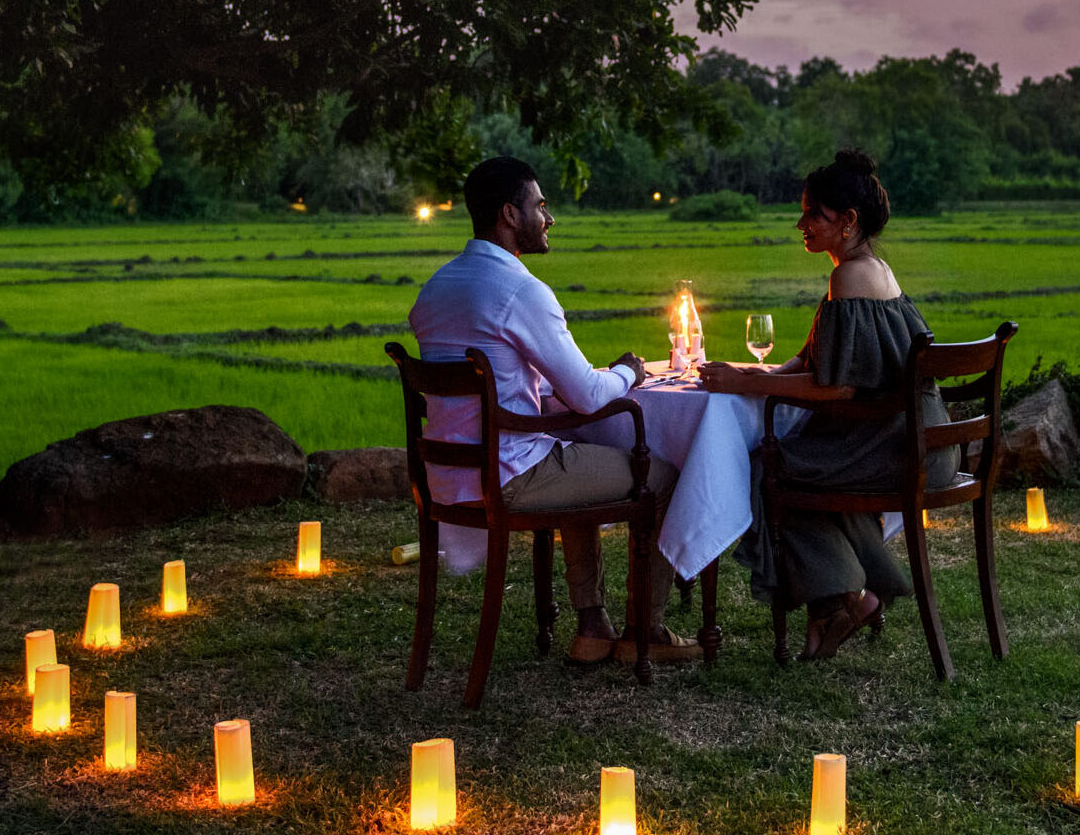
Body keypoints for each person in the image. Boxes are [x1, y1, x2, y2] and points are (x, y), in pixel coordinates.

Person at [408, 156, 698, 665]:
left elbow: (505, 388)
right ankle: (646, 631)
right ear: (508, 215)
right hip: (510, 474)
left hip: (451, 477)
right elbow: (587, 394)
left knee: (577, 452)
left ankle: (593, 626)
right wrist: (630, 371)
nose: (549, 218)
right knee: (665, 476)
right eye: (540, 206)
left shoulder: (437, 288)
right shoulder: (521, 291)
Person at [698, 149, 956, 660]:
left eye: (813, 213)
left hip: (901, 447)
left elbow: (837, 389)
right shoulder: (870, 267)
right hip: (920, 439)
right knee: (795, 462)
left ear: (848, 221)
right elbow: (817, 359)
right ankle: (840, 604)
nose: (801, 224)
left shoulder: (850, 278)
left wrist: (747, 386)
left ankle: (846, 600)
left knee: (771, 469)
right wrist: (758, 373)